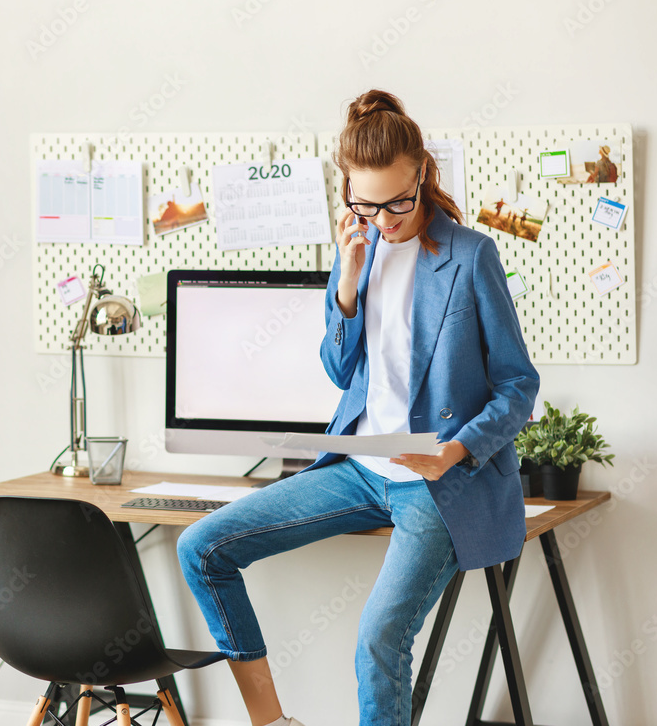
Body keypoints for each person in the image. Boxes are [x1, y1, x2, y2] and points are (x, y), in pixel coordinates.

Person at [176, 89, 539, 726]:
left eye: (399, 200)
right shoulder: (358, 248)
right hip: (359, 466)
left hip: (438, 481)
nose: (385, 217)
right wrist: (346, 282)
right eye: (366, 203)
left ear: (422, 173)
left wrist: (455, 451)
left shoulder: (471, 256)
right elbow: (340, 371)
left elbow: (518, 387)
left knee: (377, 642)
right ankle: (272, 721)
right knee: (202, 547)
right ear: (347, 189)